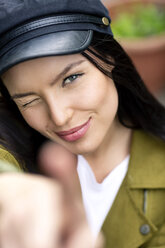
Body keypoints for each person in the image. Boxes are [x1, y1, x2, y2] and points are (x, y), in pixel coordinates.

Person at [0, 0, 165, 247]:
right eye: (29, 101)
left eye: (71, 78)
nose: (59, 116)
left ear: (108, 57)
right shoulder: (17, 147)